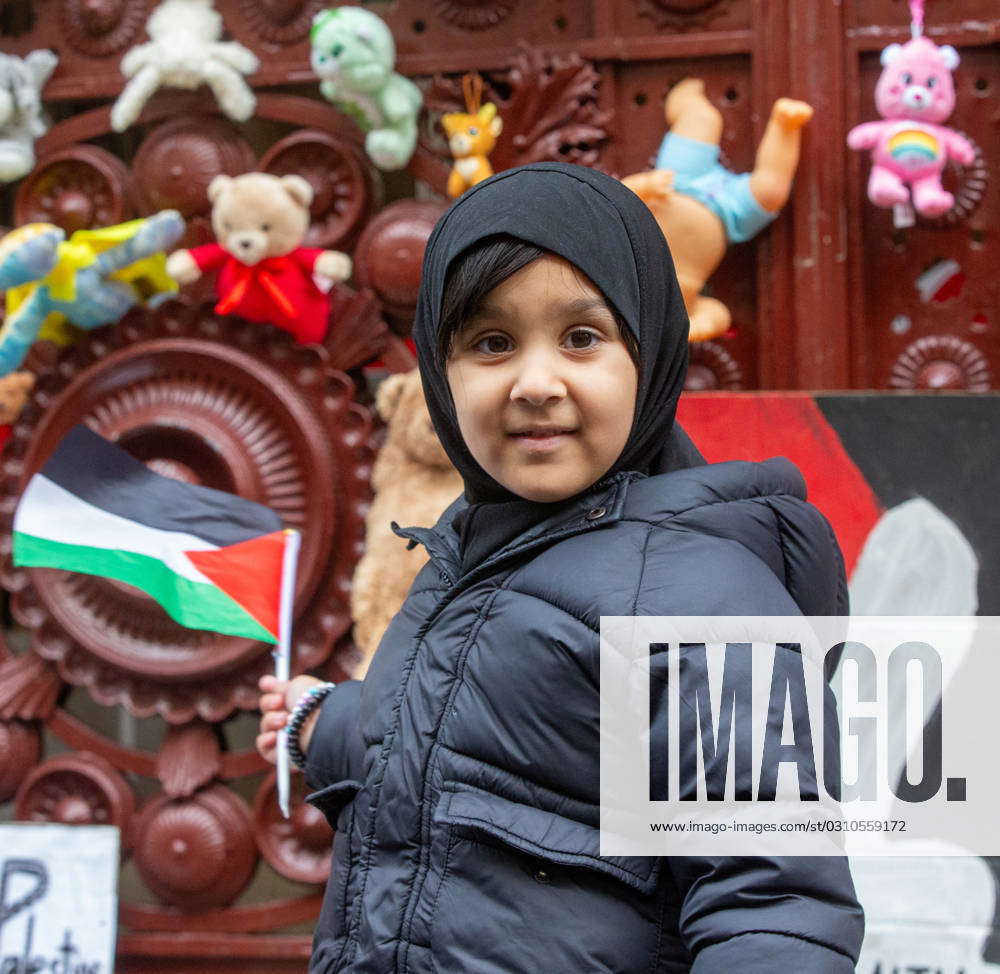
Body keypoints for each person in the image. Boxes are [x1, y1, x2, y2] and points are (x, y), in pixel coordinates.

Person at [257, 162, 864, 973]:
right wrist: (323, 723)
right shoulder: (470, 549)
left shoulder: (701, 603)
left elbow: (772, 907)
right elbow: (468, 749)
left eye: (582, 337)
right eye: (491, 343)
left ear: (649, 354)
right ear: (439, 375)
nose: (535, 383)